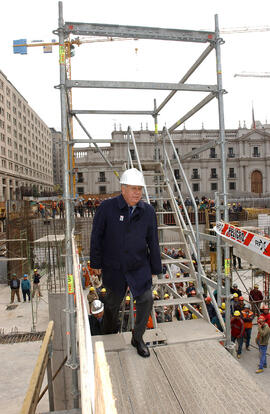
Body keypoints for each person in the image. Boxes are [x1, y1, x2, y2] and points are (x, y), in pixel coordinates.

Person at [90, 168, 162, 358]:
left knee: (146, 299)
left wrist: (155, 268)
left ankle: (137, 338)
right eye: (133, 188)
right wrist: (95, 262)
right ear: (123, 189)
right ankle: (108, 334)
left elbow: (153, 241)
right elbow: (96, 236)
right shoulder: (107, 208)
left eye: (139, 189)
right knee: (112, 304)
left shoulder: (148, 211)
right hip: (114, 267)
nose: (137, 192)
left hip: (139, 266)